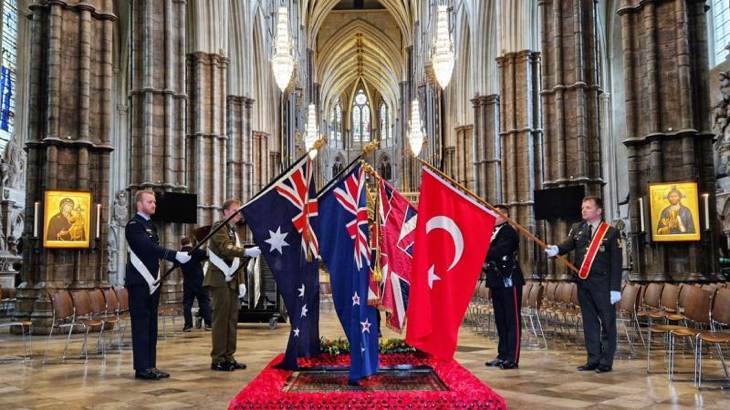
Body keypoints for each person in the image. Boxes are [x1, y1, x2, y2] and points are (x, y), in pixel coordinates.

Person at [545, 196, 622, 373]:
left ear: (598, 210)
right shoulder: (578, 229)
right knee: (589, 322)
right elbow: (567, 245)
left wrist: (615, 288)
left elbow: (616, 263)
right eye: (583, 207)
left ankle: (606, 361)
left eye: (588, 207)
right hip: (584, 283)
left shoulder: (610, 233)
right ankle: (593, 358)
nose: (584, 210)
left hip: (603, 285)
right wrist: (556, 249)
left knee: (607, 323)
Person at [125, 189, 191, 380]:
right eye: (149, 202)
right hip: (139, 283)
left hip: (152, 282)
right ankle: (141, 367)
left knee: (152, 325)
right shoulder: (134, 225)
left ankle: (150, 365)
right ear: (139, 204)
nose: (154, 205)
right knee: (141, 325)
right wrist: (173, 255)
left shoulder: (151, 225)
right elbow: (146, 248)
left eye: (154, 202)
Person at [204, 199, 261, 371]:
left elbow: (237, 260)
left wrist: (242, 281)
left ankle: (229, 355)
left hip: (232, 281)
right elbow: (225, 248)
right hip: (219, 279)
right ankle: (218, 358)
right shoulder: (218, 227)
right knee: (221, 320)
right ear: (226, 212)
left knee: (231, 319)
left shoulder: (233, 231)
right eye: (236, 210)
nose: (239, 213)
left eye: (240, 211)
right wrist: (246, 251)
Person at [482, 205, 524, 370]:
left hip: (509, 278)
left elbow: (500, 250)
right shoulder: (493, 232)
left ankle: (512, 357)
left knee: (511, 319)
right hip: (496, 278)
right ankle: (502, 354)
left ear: (505, 216)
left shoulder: (508, 231)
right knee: (500, 319)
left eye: (495, 213)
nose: (492, 216)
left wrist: (480, 251)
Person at [180, 237, 212, 332]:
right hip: (199, 282)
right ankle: (208, 323)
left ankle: (188, 325)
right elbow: (207, 255)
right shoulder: (195, 251)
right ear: (190, 242)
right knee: (204, 302)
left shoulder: (180, 253)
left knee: (187, 304)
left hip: (187, 282)